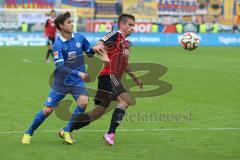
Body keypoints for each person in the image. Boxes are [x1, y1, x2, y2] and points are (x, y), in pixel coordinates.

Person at [21, 11, 106, 144]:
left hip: (77, 82)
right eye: (69, 22)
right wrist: (80, 73)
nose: (72, 24)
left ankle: (66, 131)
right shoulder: (58, 45)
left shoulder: (79, 37)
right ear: (61, 26)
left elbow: (88, 52)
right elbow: (60, 67)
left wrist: (94, 49)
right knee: (48, 110)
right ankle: (29, 132)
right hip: (61, 82)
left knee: (83, 102)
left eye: (71, 21)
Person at [58, 13, 143, 146]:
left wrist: (135, 78)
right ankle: (110, 134)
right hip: (109, 76)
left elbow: (125, 64)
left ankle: (67, 129)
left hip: (112, 78)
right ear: (122, 24)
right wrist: (100, 49)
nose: (132, 28)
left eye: (134, 25)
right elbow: (100, 43)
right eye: (130, 25)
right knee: (125, 100)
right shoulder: (115, 34)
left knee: (97, 113)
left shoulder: (126, 44)